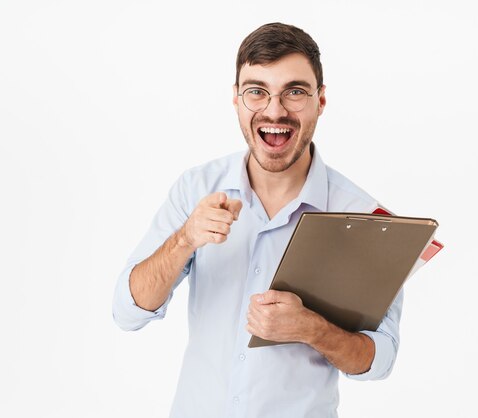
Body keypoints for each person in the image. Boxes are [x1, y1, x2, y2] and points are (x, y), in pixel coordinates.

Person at [112, 22, 403, 418]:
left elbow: (379, 359)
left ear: (321, 100)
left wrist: (311, 328)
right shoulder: (196, 189)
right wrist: (184, 240)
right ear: (236, 99)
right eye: (257, 91)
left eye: (295, 92)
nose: (274, 110)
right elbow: (128, 312)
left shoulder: (367, 218)